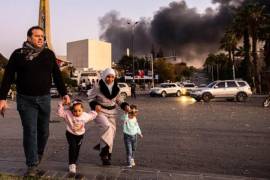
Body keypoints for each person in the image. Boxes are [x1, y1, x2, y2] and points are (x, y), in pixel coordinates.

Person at [0, 26, 70, 176]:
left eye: (42, 36)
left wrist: (64, 93)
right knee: (30, 131)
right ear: (29, 38)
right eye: (37, 36)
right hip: (25, 100)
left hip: (44, 99)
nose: (40, 39)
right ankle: (32, 165)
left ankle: (37, 155)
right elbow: (8, 77)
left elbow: (57, 75)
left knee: (44, 132)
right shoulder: (18, 54)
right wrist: (2, 98)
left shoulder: (49, 54)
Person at [88, 68, 130, 165]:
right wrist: (95, 105)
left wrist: (125, 106)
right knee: (107, 127)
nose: (110, 79)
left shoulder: (117, 88)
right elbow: (90, 98)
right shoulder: (97, 86)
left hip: (112, 113)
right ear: (104, 76)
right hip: (100, 112)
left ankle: (106, 157)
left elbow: (119, 100)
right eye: (108, 76)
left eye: (112, 77)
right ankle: (103, 153)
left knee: (112, 134)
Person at [57, 99, 101, 173]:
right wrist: (61, 104)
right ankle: (72, 164)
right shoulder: (68, 114)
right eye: (75, 111)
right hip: (70, 134)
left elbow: (92, 115)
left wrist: (96, 111)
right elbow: (60, 113)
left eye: (79, 110)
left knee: (77, 148)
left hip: (80, 135)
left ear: (82, 109)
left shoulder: (84, 115)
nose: (77, 113)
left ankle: (75, 160)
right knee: (72, 147)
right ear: (72, 110)